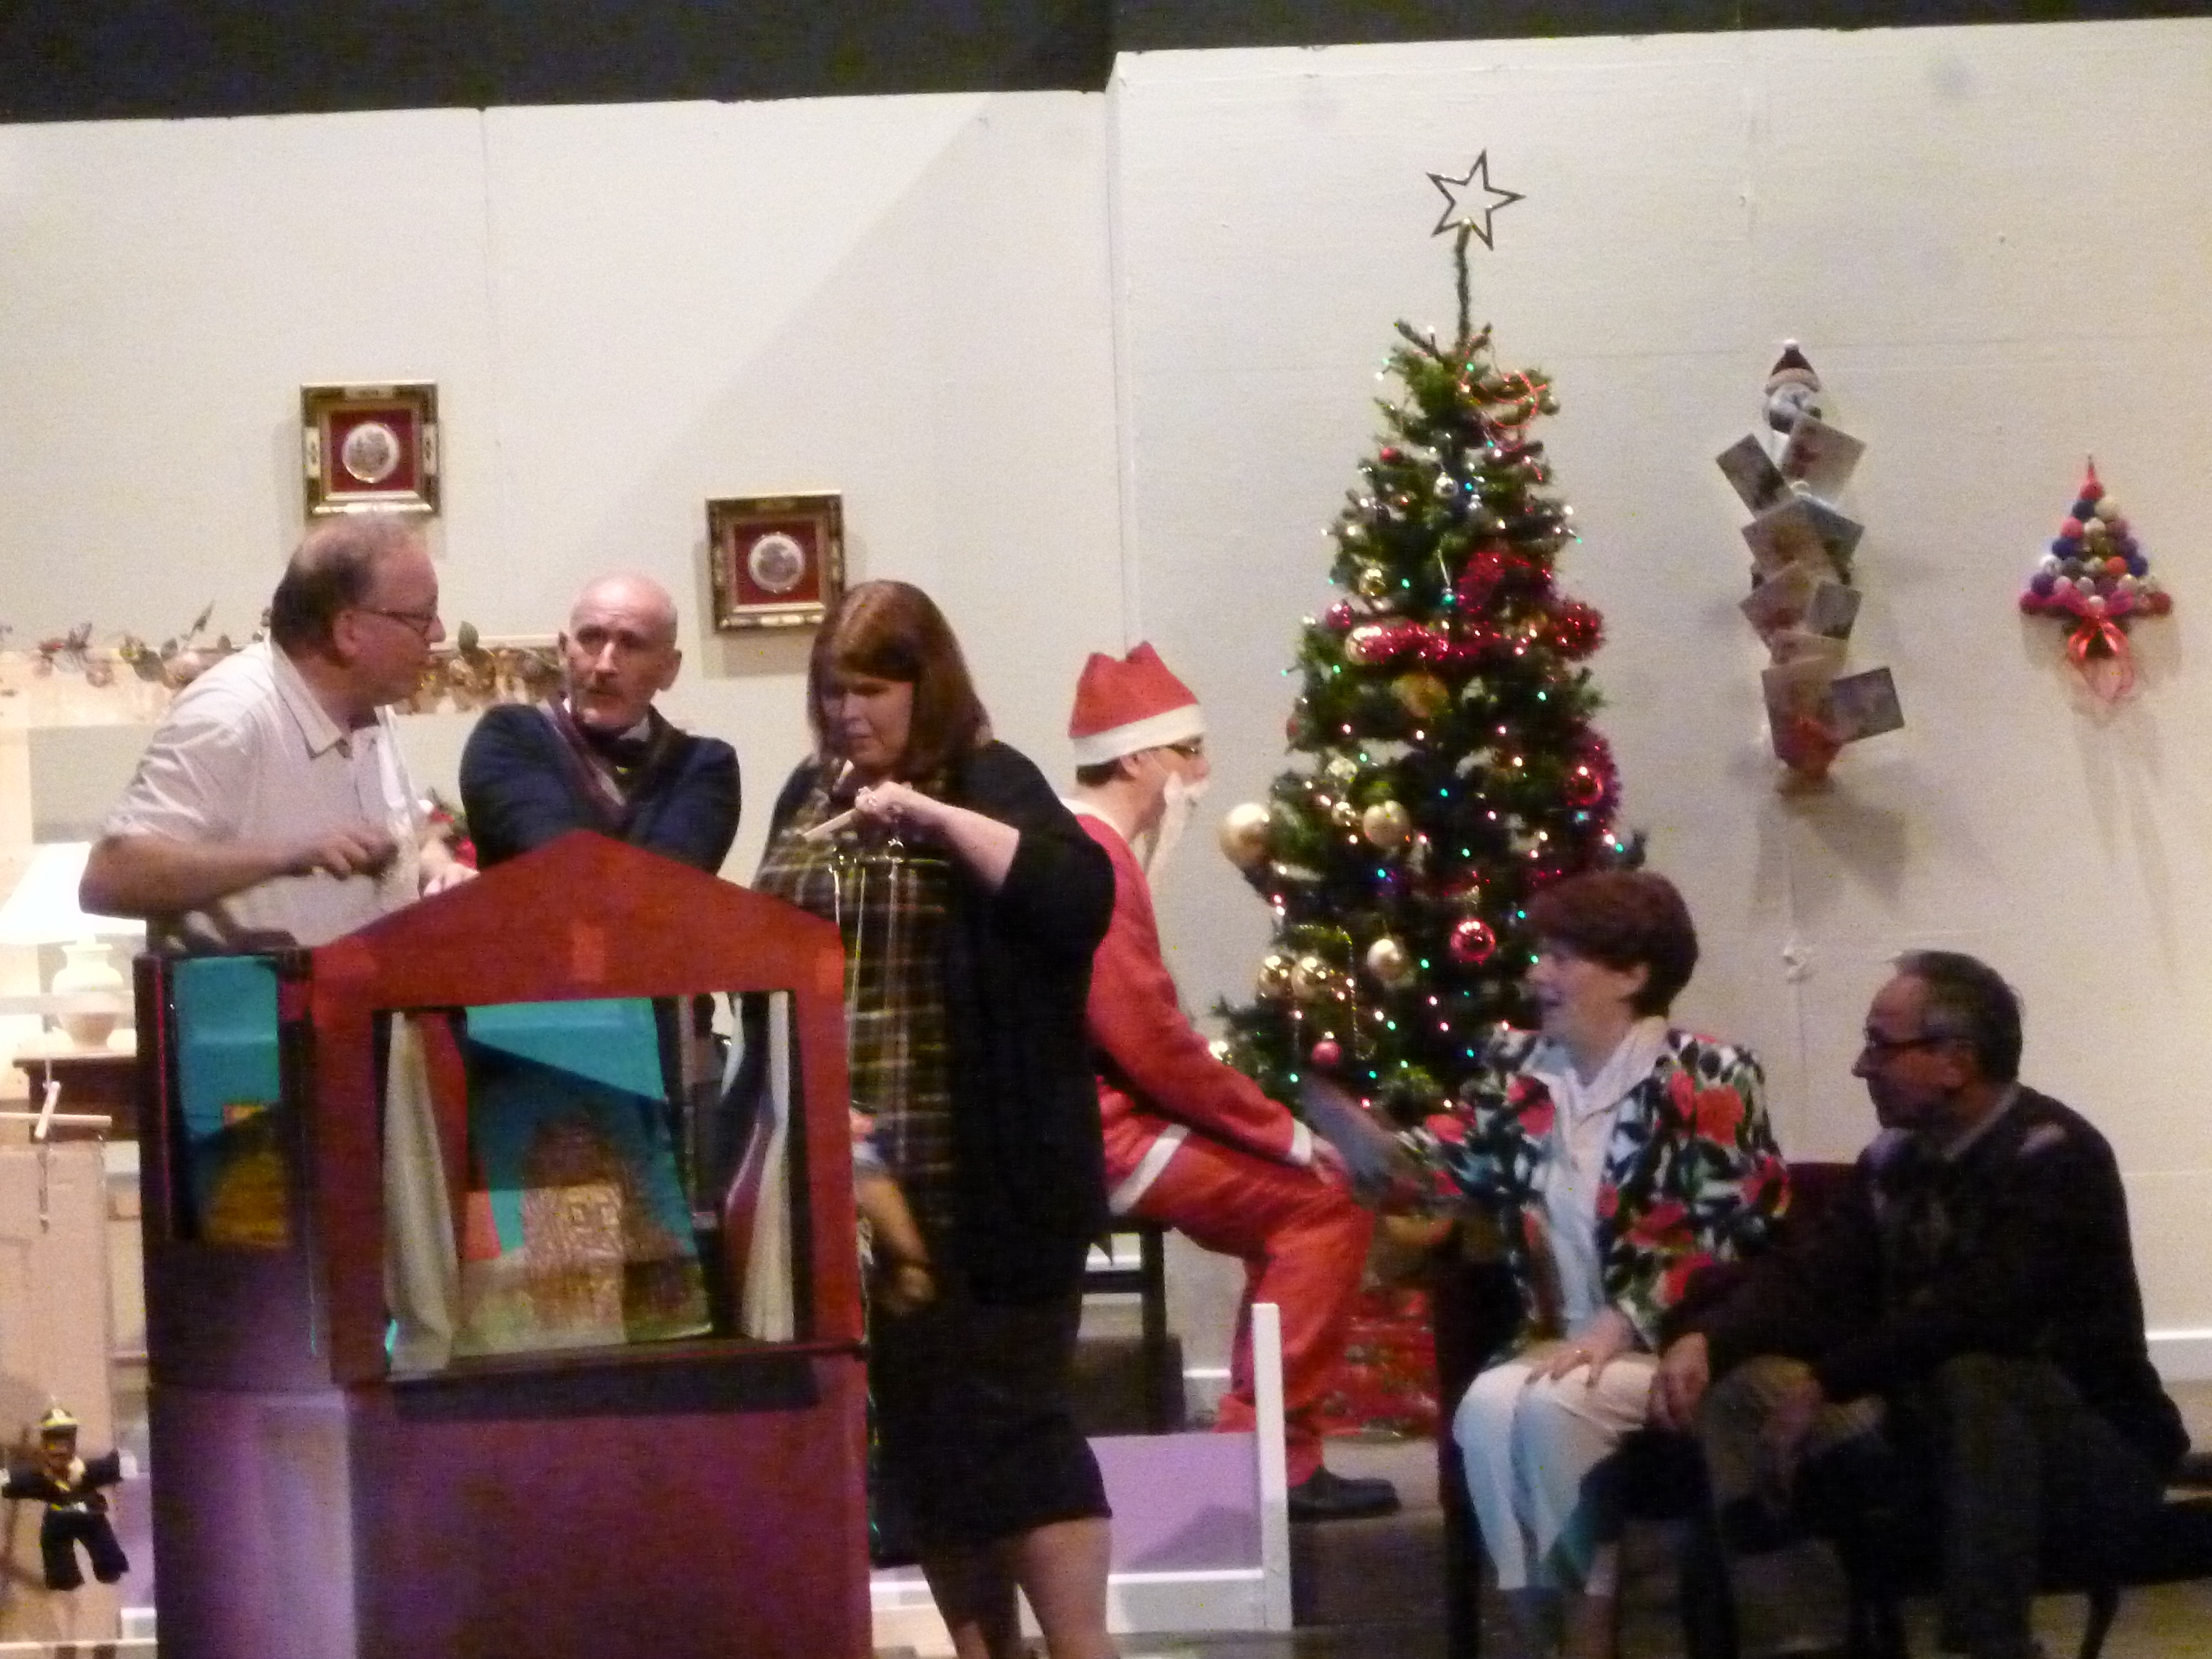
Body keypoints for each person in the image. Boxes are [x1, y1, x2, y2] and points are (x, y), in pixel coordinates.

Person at [752, 580, 1118, 1659]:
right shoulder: (806, 794)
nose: (847, 713)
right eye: (832, 691)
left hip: (989, 1176)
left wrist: (931, 816)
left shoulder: (991, 780)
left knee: (1018, 1422)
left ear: (927, 687)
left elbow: (1076, 898)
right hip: (864, 1187)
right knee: (925, 1441)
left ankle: (1083, 1646)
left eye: (871, 690)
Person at [1651, 951, 2186, 1659]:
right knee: (1742, 1394)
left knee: (1976, 1375)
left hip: (2089, 1446)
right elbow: (1813, 1279)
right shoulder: (1893, 1159)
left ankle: (1987, 1644)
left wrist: (1826, 1382)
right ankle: (1799, 1640)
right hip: (1928, 1430)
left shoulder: (2055, 1156)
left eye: (1881, 1045)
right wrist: (1708, 1340)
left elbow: (1981, 1310)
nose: (1861, 1066)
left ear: (1956, 1061)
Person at [1316, 869, 1786, 1659]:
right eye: (1542, 956)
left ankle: (1587, 1640)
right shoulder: (1522, 1074)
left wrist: (1625, 1319)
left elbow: (1730, 1226)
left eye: (1563, 959)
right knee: (1487, 1409)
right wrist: (1355, 1136)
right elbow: (1438, 1172)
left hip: (1672, 1345)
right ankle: (1552, 1644)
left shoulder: (1709, 1075)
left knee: (1550, 1409)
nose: (1538, 976)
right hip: (1555, 1346)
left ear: (1632, 975)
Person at [1063, 642, 1397, 1522]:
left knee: (1300, 1196)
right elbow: (1152, 1043)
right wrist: (1283, 1132)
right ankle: (1271, 1458)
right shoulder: (1095, 858)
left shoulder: (1090, 851)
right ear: (1138, 759)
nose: (1203, 773)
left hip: (1104, 1118)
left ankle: (1260, 1442)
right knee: (1327, 1199)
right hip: (1104, 1132)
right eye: (1189, 751)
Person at [80, 511, 470, 947]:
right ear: (349, 631)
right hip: (261, 992)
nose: (438, 633)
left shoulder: (369, 706)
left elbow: (408, 837)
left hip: (372, 987)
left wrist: (439, 870)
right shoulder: (230, 717)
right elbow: (110, 878)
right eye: (422, 617)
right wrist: (291, 855)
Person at [459, 571, 739, 873]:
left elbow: (666, 879)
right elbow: (553, 860)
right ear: (564, 651)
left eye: (632, 644)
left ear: (669, 669)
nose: (605, 666)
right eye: (591, 638)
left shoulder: (704, 764)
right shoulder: (509, 735)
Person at [4, 1406, 128, 1592]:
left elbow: (110, 1468)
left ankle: (109, 1568)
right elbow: (19, 1481)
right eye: (53, 1444)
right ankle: (63, 1578)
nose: (59, 1450)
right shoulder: (43, 1480)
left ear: (73, 1444)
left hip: (90, 1516)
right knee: (55, 1547)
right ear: (44, 1447)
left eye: (64, 1443)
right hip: (58, 1518)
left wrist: (122, 1463)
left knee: (103, 1543)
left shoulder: (87, 1472)